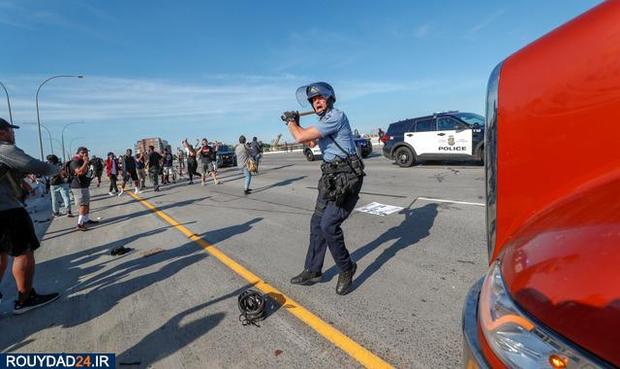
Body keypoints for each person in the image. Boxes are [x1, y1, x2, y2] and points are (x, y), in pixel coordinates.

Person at [283, 82, 365, 295]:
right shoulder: (323, 121)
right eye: (313, 100)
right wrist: (297, 123)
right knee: (316, 222)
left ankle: (347, 268)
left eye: (319, 98)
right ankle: (312, 269)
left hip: (347, 178)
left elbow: (300, 136)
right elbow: (309, 143)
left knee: (329, 225)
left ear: (329, 99)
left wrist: (291, 122)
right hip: (330, 177)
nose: (316, 102)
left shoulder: (335, 117)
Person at [0, 118, 61, 314]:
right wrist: (58, 169)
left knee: (0, 254)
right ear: (2, 132)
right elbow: (37, 166)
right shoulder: (4, 150)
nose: (13, 133)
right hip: (7, 211)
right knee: (23, 253)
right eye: (10, 130)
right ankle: (25, 298)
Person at [70, 147, 98, 231]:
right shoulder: (75, 162)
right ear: (78, 153)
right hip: (78, 186)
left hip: (84, 185)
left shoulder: (82, 161)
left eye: (86, 152)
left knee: (87, 204)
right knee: (83, 205)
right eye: (83, 152)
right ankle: (79, 223)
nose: (85, 154)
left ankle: (86, 219)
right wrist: (86, 162)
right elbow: (79, 172)